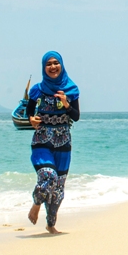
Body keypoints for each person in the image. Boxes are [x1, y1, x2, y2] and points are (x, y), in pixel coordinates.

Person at [26, 51, 80, 234]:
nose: (52, 66)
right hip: (42, 141)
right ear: (44, 68)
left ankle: (50, 224)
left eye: (56, 63)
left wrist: (66, 103)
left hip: (63, 142)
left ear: (62, 65)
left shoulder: (71, 90)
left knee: (58, 187)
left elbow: (76, 116)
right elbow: (29, 112)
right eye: (48, 64)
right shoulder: (37, 90)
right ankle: (36, 204)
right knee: (49, 176)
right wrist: (31, 120)